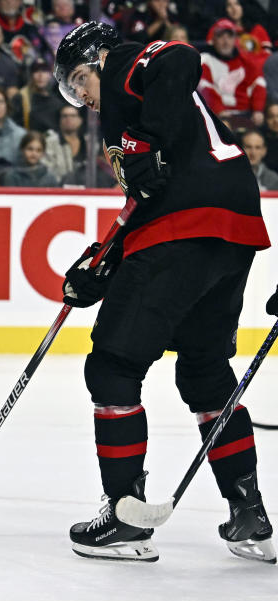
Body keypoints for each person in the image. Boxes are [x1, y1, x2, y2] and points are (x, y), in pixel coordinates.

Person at [55, 21, 273, 563]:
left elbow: (178, 55)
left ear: (100, 58)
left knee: (112, 365)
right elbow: (148, 193)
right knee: (203, 370)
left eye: (80, 79)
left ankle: (126, 514)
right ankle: (249, 514)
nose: (81, 95)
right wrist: (102, 265)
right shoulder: (138, 114)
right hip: (229, 228)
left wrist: (143, 142)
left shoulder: (126, 65)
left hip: (187, 225)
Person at [198, 18, 266, 129]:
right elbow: (204, 87)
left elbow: (258, 84)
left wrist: (258, 110)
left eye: (229, 36)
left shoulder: (246, 60)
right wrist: (219, 110)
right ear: (213, 39)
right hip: (216, 116)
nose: (226, 41)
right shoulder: (205, 60)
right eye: (221, 36)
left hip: (246, 115)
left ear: (235, 39)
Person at [8, 58, 66, 133]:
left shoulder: (57, 103)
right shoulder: (21, 98)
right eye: (36, 70)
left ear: (50, 75)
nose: (40, 75)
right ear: (31, 75)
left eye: (44, 70)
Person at [43, 104, 85, 180]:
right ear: (59, 120)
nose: (68, 119)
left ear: (80, 120)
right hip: (58, 188)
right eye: (64, 116)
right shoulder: (49, 142)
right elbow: (47, 170)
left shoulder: (89, 142)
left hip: (87, 188)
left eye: (73, 116)